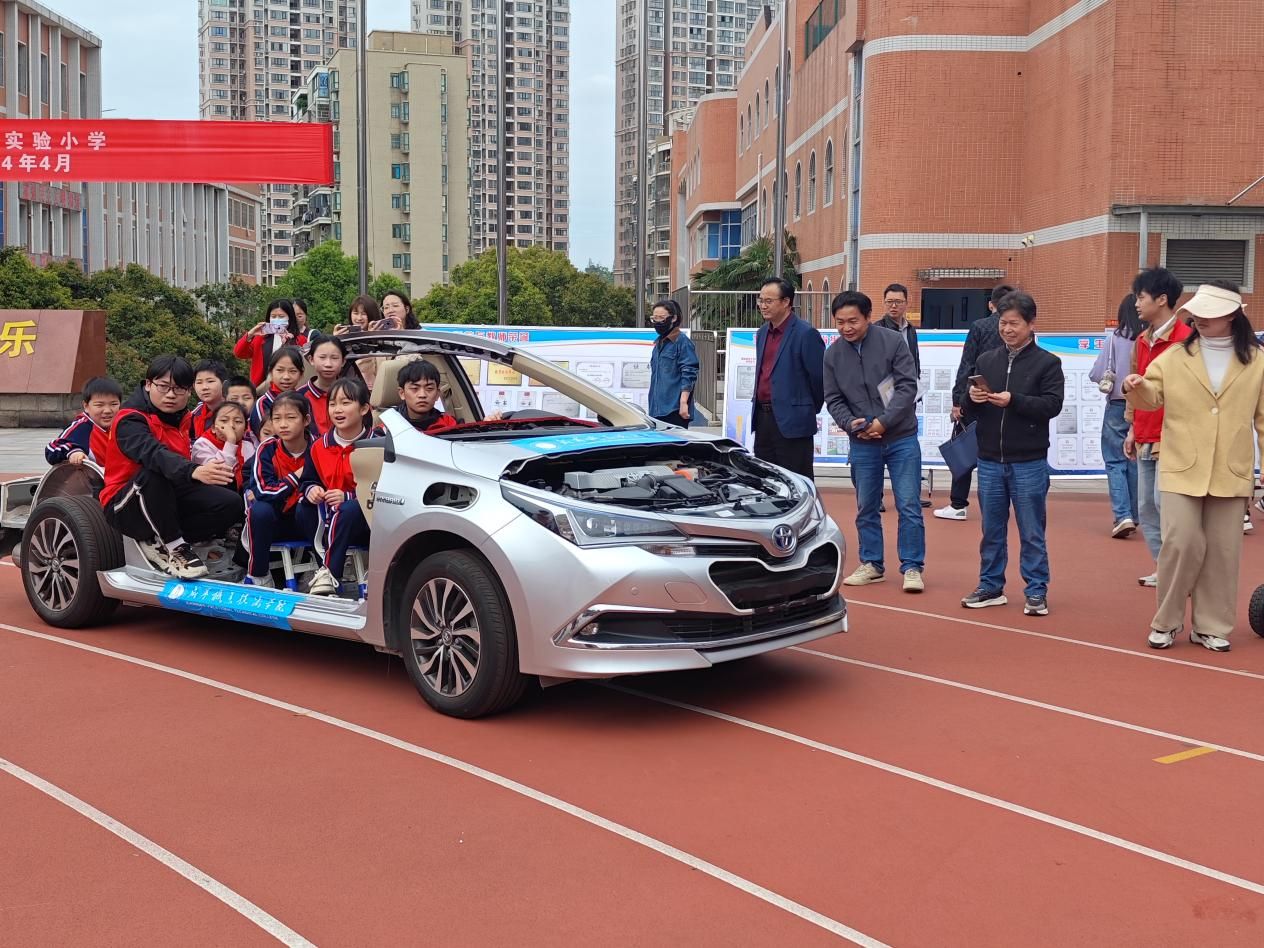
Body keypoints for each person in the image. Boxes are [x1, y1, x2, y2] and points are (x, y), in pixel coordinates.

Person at [1123, 282, 1264, 653]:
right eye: (1197, 313)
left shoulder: (1257, 360)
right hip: (1181, 464)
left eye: (1210, 314)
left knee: (1223, 551)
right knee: (1181, 543)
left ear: (1233, 315)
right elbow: (1150, 396)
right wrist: (1136, 386)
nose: (1200, 319)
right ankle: (1167, 621)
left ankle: (1211, 626)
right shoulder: (1174, 356)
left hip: (1231, 469)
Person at [960, 291, 1064, 616]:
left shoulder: (1047, 363)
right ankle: (990, 586)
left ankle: (1036, 590)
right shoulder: (987, 360)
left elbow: (1052, 405)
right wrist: (972, 398)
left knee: (1031, 530)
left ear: (1031, 324)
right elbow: (968, 409)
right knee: (991, 529)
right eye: (1003, 323)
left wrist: (1014, 400)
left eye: (1014, 323)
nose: (1007, 329)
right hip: (989, 459)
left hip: (1029, 461)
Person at [99, 354, 243, 579]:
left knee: (230, 502)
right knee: (154, 474)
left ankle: (162, 540)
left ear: (189, 391)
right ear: (148, 384)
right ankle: (176, 548)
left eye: (179, 389)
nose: (170, 395)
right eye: (163, 386)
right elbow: (154, 454)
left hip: (168, 498)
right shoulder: (129, 420)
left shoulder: (183, 418)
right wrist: (194, 471)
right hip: (126, 504)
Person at [825, 291, 926, 592]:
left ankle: (912, 566)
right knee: (866, 505)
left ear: (868, 317)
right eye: (840, 322)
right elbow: (833, 398)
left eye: (853, 321)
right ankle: (872, 563)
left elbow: (907, 388)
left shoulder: (893, 342)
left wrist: (884, 421)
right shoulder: (832, 354)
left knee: (908, 504)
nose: (846, 328)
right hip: (862, 441)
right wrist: (850, 423)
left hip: (901, 437)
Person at [1124, 267, 1189, 586]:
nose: (1136, 304)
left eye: (1141, 297)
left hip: (1173, 437)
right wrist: (1131, 428)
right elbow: (1134, 388)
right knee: (1147, 507)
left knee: (1169, 507)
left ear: (1162, 299)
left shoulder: (1186, 340)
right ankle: (1164, 568)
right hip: (1144, 433)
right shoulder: (1141, 340)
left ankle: (1182, 572)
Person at [936, 284, 1015, 521]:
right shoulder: (1022, 330)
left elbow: (967, 364)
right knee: (1002, 452)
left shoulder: (980, 326)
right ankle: (1001, 504)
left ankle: (958, 504)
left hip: (977, 396)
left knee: (963, 448)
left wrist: (958, 400)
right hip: (1008, 400)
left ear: (991, 304)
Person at [299, 378, 375, 597]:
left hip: (366, 521)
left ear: (364, 408)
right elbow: (307, 481)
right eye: (332, 404)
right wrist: (312, 490)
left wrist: (348, 496)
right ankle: (323, 565)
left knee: (349, 508)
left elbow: (385, 488)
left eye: (346, 403)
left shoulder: (377, 443)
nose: (337, 409)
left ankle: (329, 573)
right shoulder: (318, 446)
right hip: (328, 521)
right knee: (303, 507)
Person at [750, 277, 825, 480]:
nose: (763, 306)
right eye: (760, 300)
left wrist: (804, 408)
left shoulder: (806, 333)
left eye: (768, 301)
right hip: (763, 419)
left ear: (786, 302)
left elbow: (819, 380)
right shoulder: (762, 333)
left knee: (796, 480)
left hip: (794, 422)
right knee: (766, 480)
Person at [244, 392, 313, 587]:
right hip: (275, 522)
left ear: (306, 420)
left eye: (290, 418)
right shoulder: (267, 448)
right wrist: (296, 476)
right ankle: (258, 575)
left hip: (308, 520)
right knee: (260, 509)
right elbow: (263, 491)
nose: (283, 425)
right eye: (277, 419)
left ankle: (324, 571)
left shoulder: (317, 447)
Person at [1089, 295, 1143, 538]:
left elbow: (1096, 373)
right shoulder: (1149, 339)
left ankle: (1123, 515)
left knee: (1114, 460)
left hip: (1118, 403)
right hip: (1145, 404)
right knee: (1134, 460)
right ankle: (1135, 513)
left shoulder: (1115, 338)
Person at [45, 376, 123, 466]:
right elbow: (52, 448)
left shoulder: (124, 424)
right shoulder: (83, 427)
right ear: (86, 406)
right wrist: (73, 452)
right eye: (99, 405)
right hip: (92, 474)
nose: (107, 410)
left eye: (114, 404)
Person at [647, 299, 699, 426]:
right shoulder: (659, 343)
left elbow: (689, 372)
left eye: (661, 318)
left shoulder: (682, 342)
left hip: (674, 410)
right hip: (656, 409)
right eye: (655, 318)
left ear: (673, 318)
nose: (658, 322)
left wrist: (683, 402)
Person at [234, 299, 306, 387]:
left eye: (281, 316)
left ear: (290, 317)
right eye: (273, 316)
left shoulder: (300, 340)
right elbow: (239, 353)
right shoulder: (260, 338)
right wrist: (250, 334)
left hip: (289, 388)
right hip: (261, 388)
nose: (277, 319)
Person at [191, 401, 254, 492]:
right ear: (213, 428)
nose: (231, 426)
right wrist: (230, 442)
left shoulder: (249, 446)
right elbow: (219, 475)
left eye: (238, 421)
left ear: (245, 430)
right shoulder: (202, 445)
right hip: (214, 493)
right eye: (224, 421)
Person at [249, 346, 305, 439]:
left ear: (301, 375)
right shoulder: (263, 404)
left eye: (292, 371)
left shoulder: (304, 401)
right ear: (271, 372)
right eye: (280, 370)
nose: (286, 377)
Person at [393, 359, 461, 433]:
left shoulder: (450, 425)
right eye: (415, 388)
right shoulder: (389, 425)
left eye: (429, 388)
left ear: (437, 394)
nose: (422, 395)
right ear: (402, 393)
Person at [297, 336, 348, 435]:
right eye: (322, 357)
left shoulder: (354, 393)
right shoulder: (299, 396)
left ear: (343, 361)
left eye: (334, 358)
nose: (328, 364)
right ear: (311, 359)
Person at [876, 283, 920, 376]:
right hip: (887, 383)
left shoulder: (910, 329)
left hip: (909, 381)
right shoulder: (877, 329)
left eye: (898, 302)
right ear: (884, 303)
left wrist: (917, 376)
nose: (893, 306)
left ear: (906, 303)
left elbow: (915, 357)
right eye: (889, 301)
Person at [189, 360, 228, 442]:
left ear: (224, 384)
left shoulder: (234, 412)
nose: (204, 387)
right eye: (199, 382)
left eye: (210, 381)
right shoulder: (194, 414)